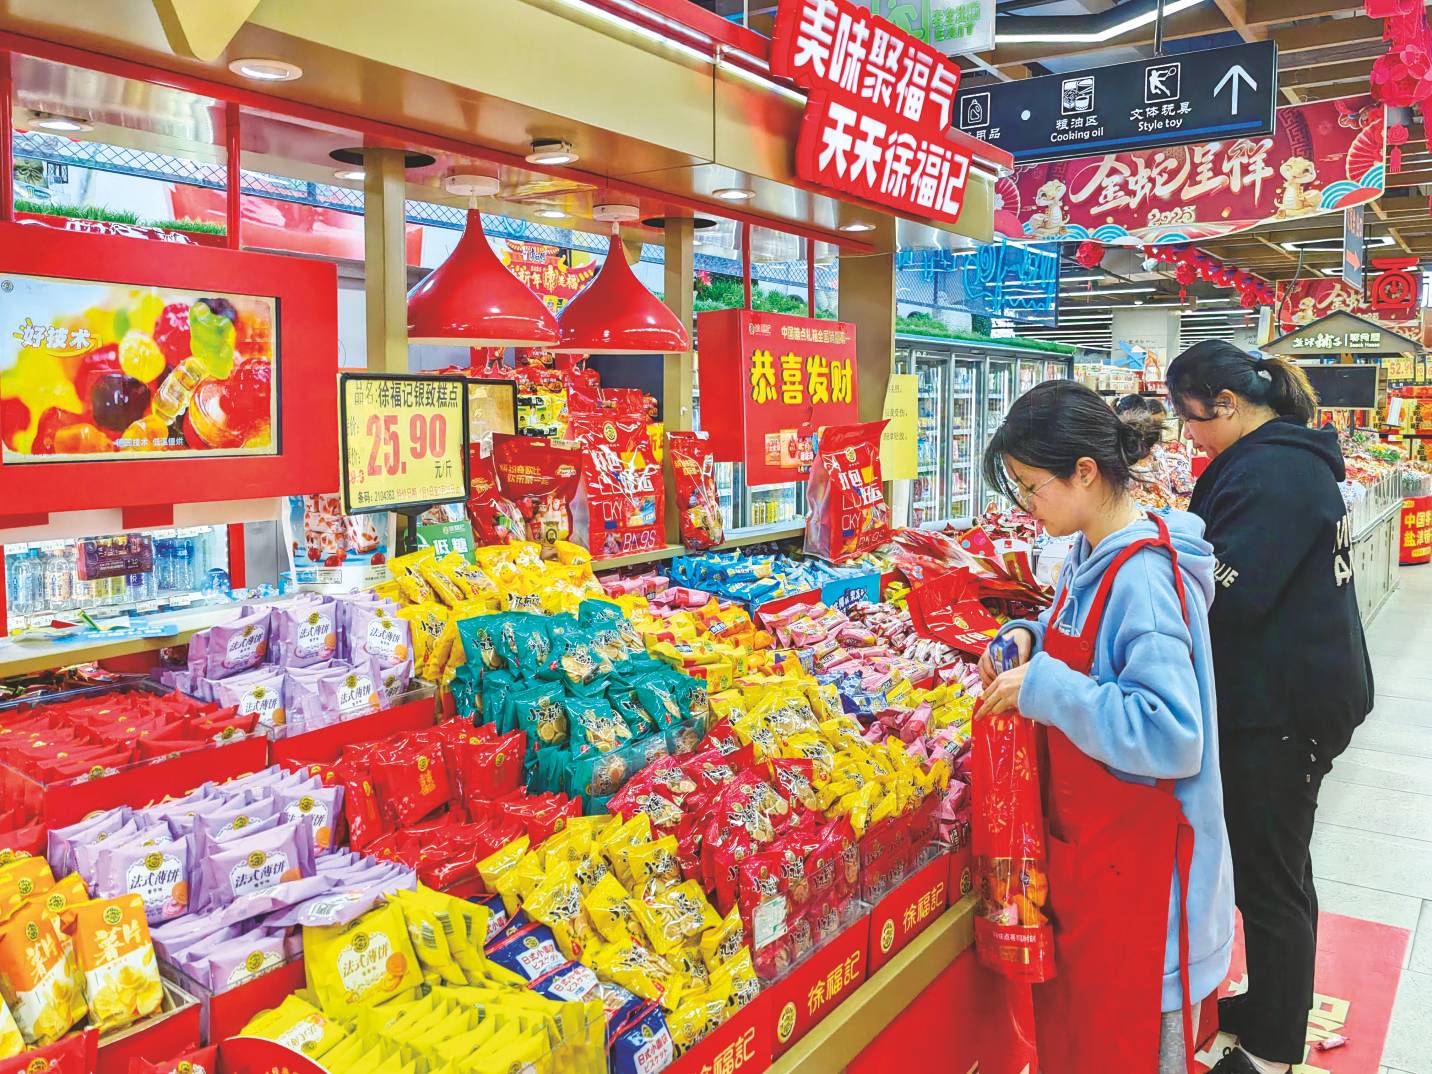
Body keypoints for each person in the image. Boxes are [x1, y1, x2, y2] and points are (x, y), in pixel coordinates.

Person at [978, 380, 1235, 1074]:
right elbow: (1085, 646)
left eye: (1032, 486)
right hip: (1103, 865)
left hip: (1149, 892)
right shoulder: (1093, 550)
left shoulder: (1140, 579)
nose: (1027, 505)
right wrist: (1030, 635)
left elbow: (1172, 733)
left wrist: (1046, 688)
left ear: (1086, 472)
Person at [1164, 342, 1374, 1074]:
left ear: (1227, 404)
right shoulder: (1283, 458)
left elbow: (1231, 593)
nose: (1189, 434)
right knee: (1282, 865)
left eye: (1191, 417)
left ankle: (1270, 1050)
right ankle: (1274, 1004)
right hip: (1296, 691)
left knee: (1269, 878)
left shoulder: (1273, 473)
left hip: (1285, 709)